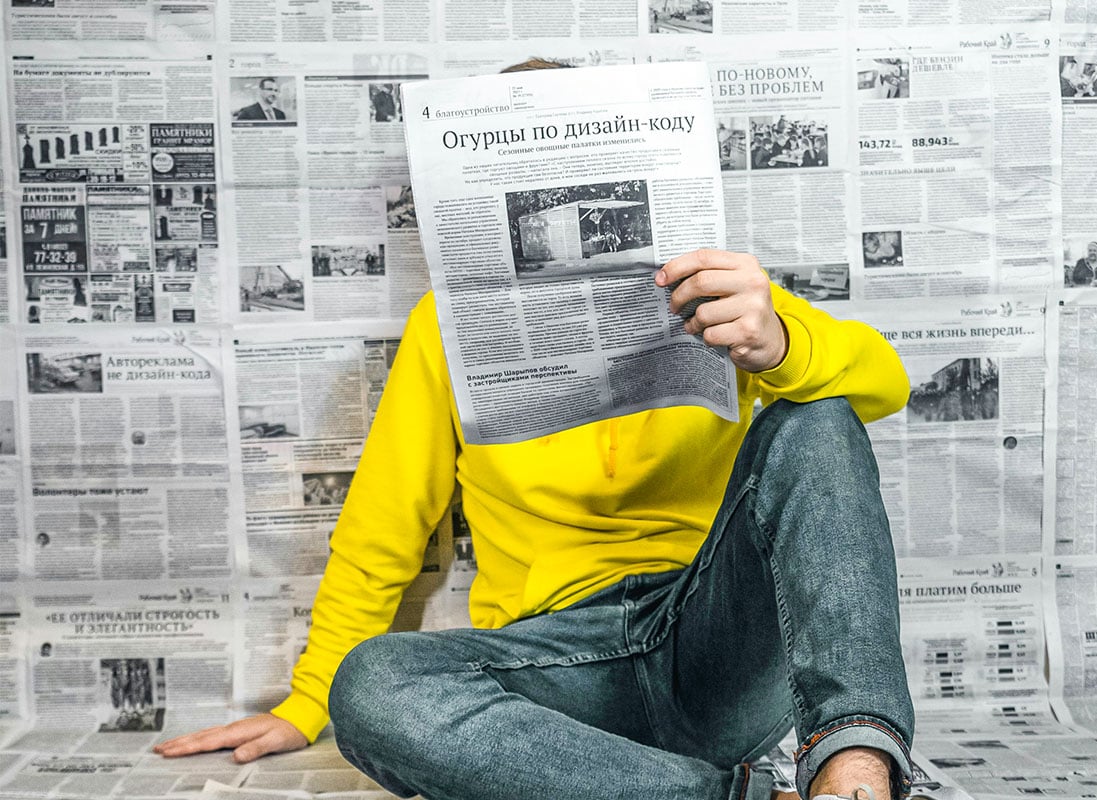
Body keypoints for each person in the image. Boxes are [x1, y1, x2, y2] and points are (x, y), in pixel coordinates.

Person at [156, 61, 914, 800]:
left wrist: (778, 340)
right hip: (552, 679)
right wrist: (308, 700)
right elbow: (382, 527)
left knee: (817, 411)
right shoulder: (439, 330)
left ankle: (854, 771)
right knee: (374, 684)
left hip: (712, 645)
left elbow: (884, 384)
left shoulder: (721, 296)